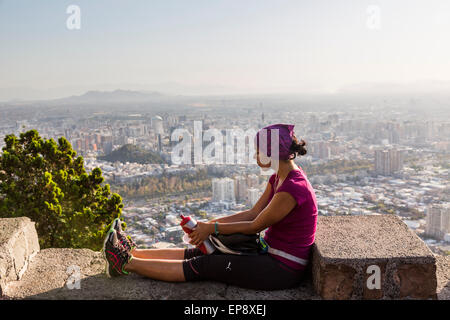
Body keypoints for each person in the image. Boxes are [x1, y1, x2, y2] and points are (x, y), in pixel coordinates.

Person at [103, 123, 318, 290]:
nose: (255, 156)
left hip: (282, 267)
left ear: (272, 153)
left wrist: (212, 229)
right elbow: (252, 212)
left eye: (258, 151)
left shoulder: (292, 188)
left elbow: (254, 225)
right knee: (203, 249)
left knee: (207, 265)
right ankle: (134, 252)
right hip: (268, 253)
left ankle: (124, 263)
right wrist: (206, 227)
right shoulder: (279, 178)